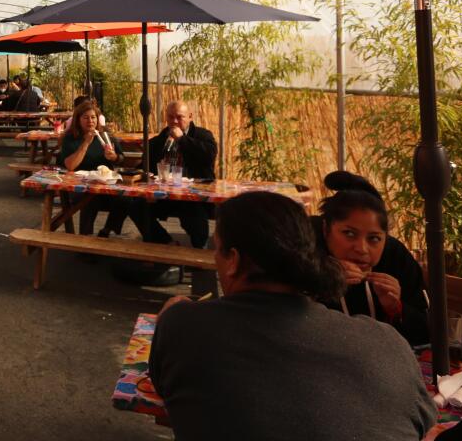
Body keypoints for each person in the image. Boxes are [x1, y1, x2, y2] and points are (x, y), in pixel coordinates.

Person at [149, 191, 436, 441]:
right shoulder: (389, 345)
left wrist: (172, 315)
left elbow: (166, 385)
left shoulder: (183, 326)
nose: (361, 248)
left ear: (233, 261)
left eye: (217, 253)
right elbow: (423, 421)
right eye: (349, 234)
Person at [314, 170, 429, 346]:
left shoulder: (395, 256)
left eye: (374, 238)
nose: (361, 249)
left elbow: (427, 333)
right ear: (325, 229)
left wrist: (395, 308)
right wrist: (322, 280)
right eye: (349, 234)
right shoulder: (304, 253)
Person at [144, 100, 217, 248]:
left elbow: (209, 155)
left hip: (192, 196)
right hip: (164, 195)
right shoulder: (161, 138)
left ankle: (198, 254)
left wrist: (182, 139)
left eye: (179, 117)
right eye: (170, 117)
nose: (174, 121)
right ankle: (166, 242)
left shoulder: (203, 135)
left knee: (194, 213)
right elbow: (146, 164)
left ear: (190, 116)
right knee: (137, 206)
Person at [56, 99, 120, 238]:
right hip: (79, 185)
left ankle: (106, 230)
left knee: (127, 200)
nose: (90, 121)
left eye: (93, 117)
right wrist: (86, 143)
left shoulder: (105, 135)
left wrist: (114, 157)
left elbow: (121, 157)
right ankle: (85, 238)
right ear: (78, 120)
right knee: (90, 198)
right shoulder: (70, 138)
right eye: (85, 118)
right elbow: (70, 165)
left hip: (105, 184)